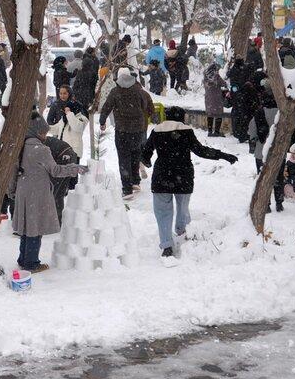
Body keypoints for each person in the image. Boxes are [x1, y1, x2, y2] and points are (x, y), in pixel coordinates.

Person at [141, 106, 237, 258]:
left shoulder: (157, 131)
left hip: (162, 177)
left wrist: (147, 161)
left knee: (162, 212)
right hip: (183, 176)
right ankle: (182, 233)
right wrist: (222, 155)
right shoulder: (186, 131)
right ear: (181, 117)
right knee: (182, 208)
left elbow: (145, 154)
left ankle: (166, 245)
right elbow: (201, 151)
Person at [9, 117, 86, 272]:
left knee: (26, 227)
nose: (45, 136)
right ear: (37, 132)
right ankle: (31, 264)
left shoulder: (21, 146)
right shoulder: (41, 149)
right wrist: (74, 168)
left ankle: (23, 259)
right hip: (36, 193)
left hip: (23, 191)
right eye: (44, 133)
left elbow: (13, 171)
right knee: (35, 229)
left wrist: (12, 190)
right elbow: (55, 170)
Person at [98, 67, 155, 197]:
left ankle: (127, 188)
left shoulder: (115, 92)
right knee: (135, 155)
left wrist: (102, 121)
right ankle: (135, 181)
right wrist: (140, 117)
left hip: (122, 130)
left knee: (124, 158)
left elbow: (106, 107)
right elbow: (146, 107)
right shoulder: (139, 91)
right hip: (138, 130)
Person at [46, 84, 88, 157]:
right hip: (62, 146)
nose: (62, 96)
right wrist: (45, 127)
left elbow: (77, 127)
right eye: (60, 93)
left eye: (65, 93)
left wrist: (69, 113)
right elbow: (55, 126)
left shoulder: (79, 114)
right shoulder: (56, 105)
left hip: (73, 150)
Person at [203, 63, 228, 137]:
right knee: (218, 114)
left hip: (208, 98)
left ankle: (210, 131)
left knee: (210, 115)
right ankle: (216, 132)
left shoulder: (205, 77)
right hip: (217, 98)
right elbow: (224, 84)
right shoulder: (216, 76)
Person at [71, 48, 99, 112]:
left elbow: (76, 84)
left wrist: (74, 92)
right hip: (89, 94)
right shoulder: (93, 73)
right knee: (86, 109)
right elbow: (94, 85)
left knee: (80, 109)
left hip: (79, 94)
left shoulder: (80, 72)